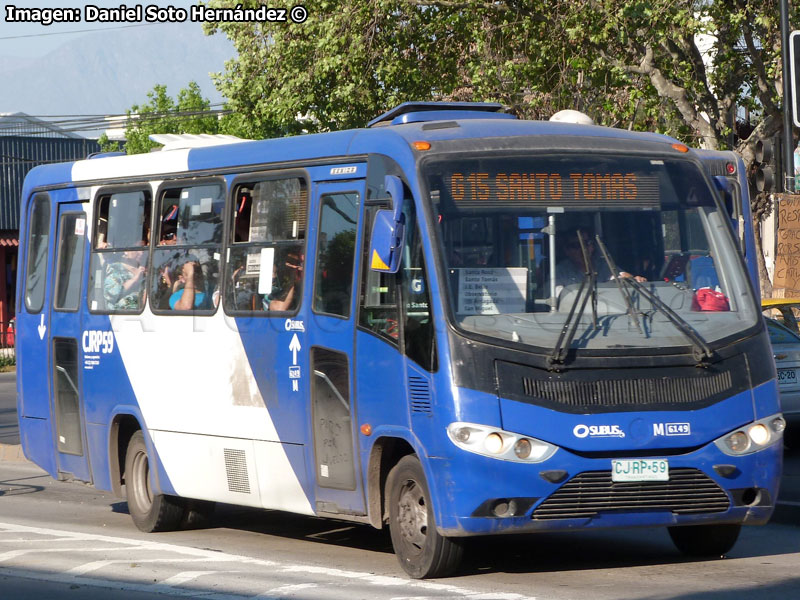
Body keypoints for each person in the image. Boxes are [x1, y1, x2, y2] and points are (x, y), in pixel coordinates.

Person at [555, 228, 644, 289]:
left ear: (592, 246)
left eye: (587, 243)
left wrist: (634, 279)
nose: (583, 249)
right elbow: (557, 297)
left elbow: (623, 276)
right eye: (576, 246)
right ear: (566, 250)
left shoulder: (604, 266)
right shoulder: (559, 272)